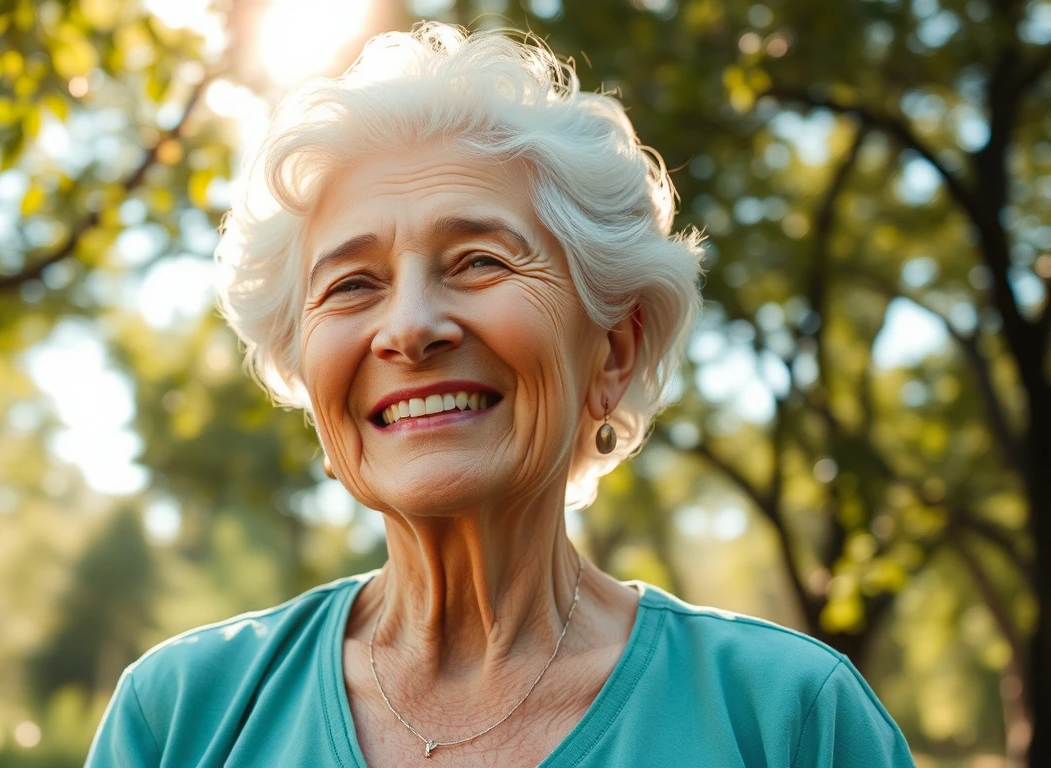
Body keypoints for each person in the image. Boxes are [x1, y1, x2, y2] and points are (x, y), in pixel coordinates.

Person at [85, 22, 914, 767]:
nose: (408, 329)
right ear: (310, 380)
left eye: (479, 261)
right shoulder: (178, 720)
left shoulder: (788, 721)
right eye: (351, 285)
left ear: (613, 353)